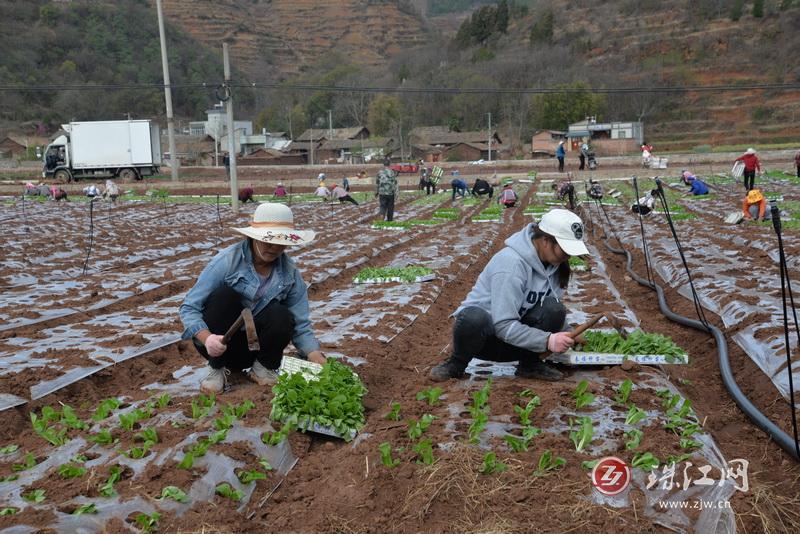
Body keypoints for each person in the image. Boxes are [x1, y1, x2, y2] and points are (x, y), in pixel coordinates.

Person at [179, 203, 326, 394]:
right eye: (268, 241)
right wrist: (207, 339)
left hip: (256, 350)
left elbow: (300, 324)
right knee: (225, 296)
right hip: (219, 346)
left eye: (281, 242)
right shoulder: (227, 261)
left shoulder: (290, 274)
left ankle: (262, 369)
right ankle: (216, 370)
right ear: (253, 237)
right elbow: (189, 308)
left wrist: (316, 356)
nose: (274, 248)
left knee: (281, 313)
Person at [430, 209, 590, 382]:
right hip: (483, 342)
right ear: (545, 240)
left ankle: (530, 364)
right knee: (474, 317)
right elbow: (502, 325)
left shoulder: (554, 266)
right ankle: (456, 364)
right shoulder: (511, 264)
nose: (567, 256)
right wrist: (548, 340)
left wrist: (569, 333)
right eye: (564, 250)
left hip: (518, 342)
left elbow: (550, 311)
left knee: (554, 307)